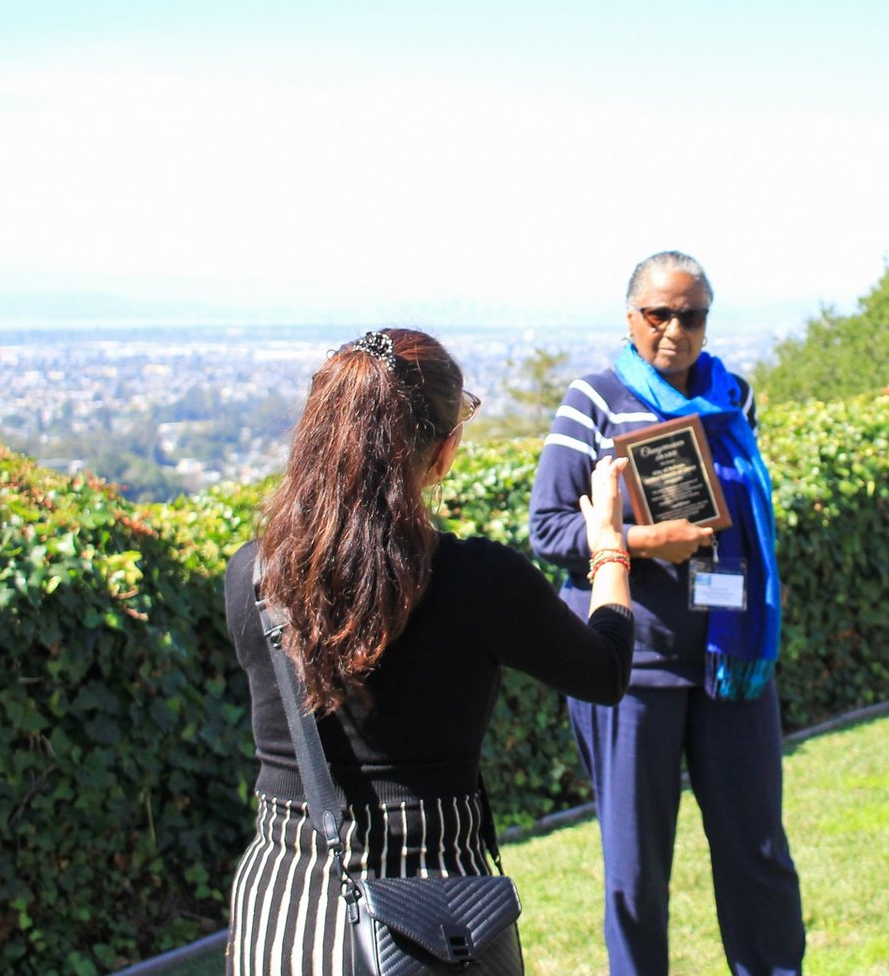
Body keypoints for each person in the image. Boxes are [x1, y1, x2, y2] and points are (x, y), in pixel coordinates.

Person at [222, 328, 636, 974]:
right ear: (442, 452)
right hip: (438, 913)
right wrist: (609, 546)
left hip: (285, 905)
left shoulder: (252, 575)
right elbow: (605, 669)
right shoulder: (481, 580)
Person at [529, 251, 805, 976]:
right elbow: (548, 529)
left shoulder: (734, 397)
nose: (675, 329)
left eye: (692, 315)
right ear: (631, 317)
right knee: (637, 871)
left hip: (731, 661)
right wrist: (648, 541)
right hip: (631, 669)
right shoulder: (592, 401)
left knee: (757, 852)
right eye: (659, 314)